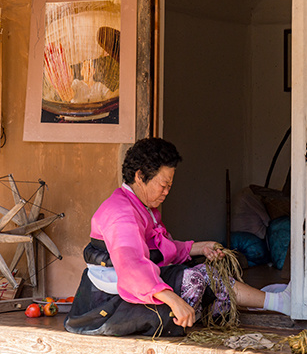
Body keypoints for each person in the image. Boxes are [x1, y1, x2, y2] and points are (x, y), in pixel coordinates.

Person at [64, 137, 291, 337]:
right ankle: (274, 302)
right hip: (113, 300)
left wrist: (200, 247)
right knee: (197, 280)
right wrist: (173, 300)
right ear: (140, 176)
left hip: (143, 280)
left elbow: (163, 248)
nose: (167, 192)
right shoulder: (120, 213)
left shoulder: (144, 207)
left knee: (209, 272)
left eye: (169, 186)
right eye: (163, 185)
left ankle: (271, 301)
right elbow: (132, 266)